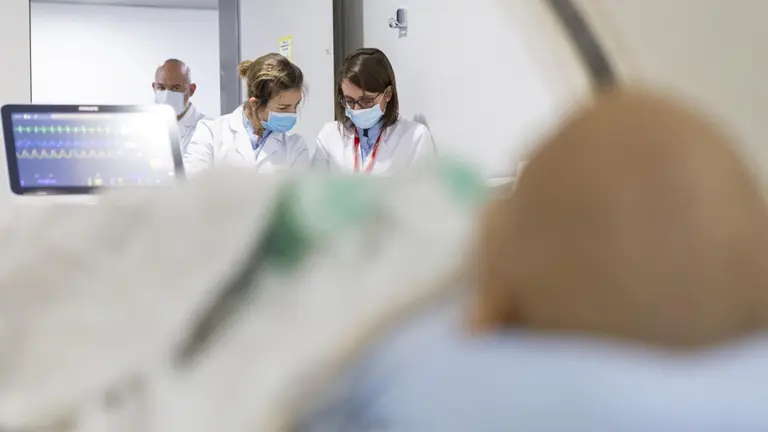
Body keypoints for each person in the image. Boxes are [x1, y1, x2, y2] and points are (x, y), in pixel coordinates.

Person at [183, 53, 310, 176]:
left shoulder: (295, 146)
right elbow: (193, 188)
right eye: (283, 107)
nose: (292, 113)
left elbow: (298, 195)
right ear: (255, 103)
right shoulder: (211, 133)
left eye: (296, 106)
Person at [314, 48, 436, 174]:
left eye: (366, 101)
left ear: (387, 94)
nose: (356, 110)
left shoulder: (415, 138)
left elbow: (423, 191)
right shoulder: (329, 136)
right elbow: (315, 189)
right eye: (349, 101)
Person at [152, 59, 207, 153]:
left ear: (191, 90)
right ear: (154, 88)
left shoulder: (208, 129)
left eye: (175, 88)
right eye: (161, 87)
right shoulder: (144, 126)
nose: (166, 96)